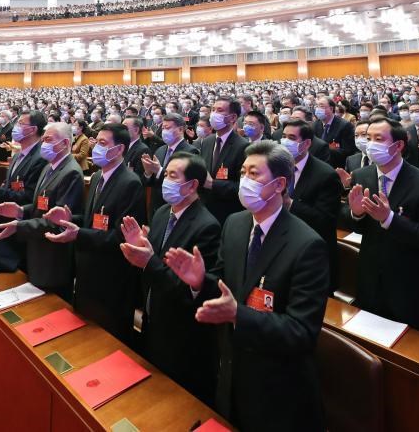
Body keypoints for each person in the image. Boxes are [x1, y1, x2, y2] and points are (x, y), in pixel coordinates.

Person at [165, 141, 328, 432]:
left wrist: (238, 314)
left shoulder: (307, 245)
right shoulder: (235, 224)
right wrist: (200, 281)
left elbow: (301, 332)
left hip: (277, 390)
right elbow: (225, 286)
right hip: (231, 372)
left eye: (254, 174)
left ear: (279, 184)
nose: (244, 180)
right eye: (242, 172)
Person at [118, 152, 221, 406]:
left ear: (192, 185)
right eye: (166, 174)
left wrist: (148, 261)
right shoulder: (163, 212)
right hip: (153, 317)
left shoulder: (207, 226)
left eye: (173, 176)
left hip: (180, 333)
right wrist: (140, 247)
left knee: (173, 402)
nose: (165, 180)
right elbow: (154, 259)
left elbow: (188, 289)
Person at [344, 119, 419, 337]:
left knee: (415, 347)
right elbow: (360, 228)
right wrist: (356, 214)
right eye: (368, 138)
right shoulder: (361, 176)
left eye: (379, 139)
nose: (371, 144)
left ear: (398, 145)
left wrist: (390, 219)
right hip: (371, 276)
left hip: (411, 282)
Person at [43, 123, 146, 344]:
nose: (95, 147)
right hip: (88, 271)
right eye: (96, 141)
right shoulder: (98, 176)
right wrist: (70, 219)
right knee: (83, 334)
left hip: (111, 278)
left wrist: (79, 234)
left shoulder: (130, 183)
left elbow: (121, 238)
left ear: (119, 149)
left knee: (107, 340)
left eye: (102, 143)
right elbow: (91, 222)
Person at [0, 122, 85, 301]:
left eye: (48, 140)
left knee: (50, 305)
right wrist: (20, 211)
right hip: (36, 249)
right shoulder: (49, 167)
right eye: (43, 140)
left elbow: (58, 223)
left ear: (65, 143)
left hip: (52, 257)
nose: (43, 144)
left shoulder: (71, 172)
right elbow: (40, 206)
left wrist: (19, 225)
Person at [280, 120, 341, 291]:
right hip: (281, 246)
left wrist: (290, 203)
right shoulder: (277, 166)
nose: (285, 141)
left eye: (292, 138)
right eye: (283, 136)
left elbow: (325, 220)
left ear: (306, 144)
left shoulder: (325, 175)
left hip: (311, 254)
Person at [0, 111, 45, 206]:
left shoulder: (41, 158)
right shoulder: (18, 154)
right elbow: (12, 182)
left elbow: (30, 196)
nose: (15, 127)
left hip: (20, 211)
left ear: (33, 130)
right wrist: (0, 188)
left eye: (20, 123)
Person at [198, 96, 249, 225]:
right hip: (204, 212)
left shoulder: (242, 146)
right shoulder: (207, 141)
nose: (214, 114)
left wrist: (213, 184)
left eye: (219, 110)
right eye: (213, 110)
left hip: (227, 214)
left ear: (233, 117)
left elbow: (242, 187)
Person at [140, 113, 194, 217]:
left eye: (168, 128)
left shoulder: (190, 152)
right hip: (156, 207)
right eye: (163, 128)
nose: (164, 131)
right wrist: (148, 172)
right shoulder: (160, 150)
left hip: (176, 207)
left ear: (180, 129)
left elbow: (184, 182)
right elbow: (150, 183)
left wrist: (159, 171)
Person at [312, 95, 355, 168]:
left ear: (331, 109)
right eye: (317, 106)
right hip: (318, 165)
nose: (318, 109)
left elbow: (348, 150)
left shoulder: (345, 125)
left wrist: (326, 150)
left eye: (321, 106)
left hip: (336, 165)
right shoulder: (315, 124)